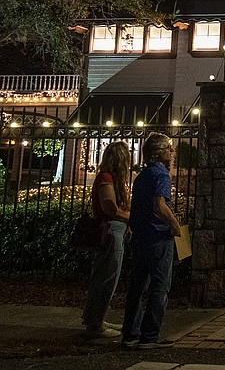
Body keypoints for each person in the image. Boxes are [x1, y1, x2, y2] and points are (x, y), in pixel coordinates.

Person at [121, 133, 182, 349]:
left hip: (140, 236)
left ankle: (130, 334)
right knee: (160, 286)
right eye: (168, 148)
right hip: (158, 236)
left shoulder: (142, 176)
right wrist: (174, 225)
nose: (172, 152)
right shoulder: (162, 175)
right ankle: (149, 335)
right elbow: (159, 205)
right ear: (158, 152)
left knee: (137, 286)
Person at [81, 141, 131, 339]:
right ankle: (95, 324)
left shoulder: (108, 178)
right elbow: (110, 207)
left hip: (114, 229)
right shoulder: (106, 178)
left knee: (104, 276)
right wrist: (130, 216)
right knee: (107, 277)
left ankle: (96, 319)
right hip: (111, 230)